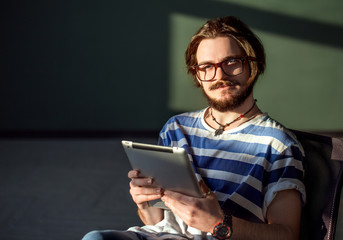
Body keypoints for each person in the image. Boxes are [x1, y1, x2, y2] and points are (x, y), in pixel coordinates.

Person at [82, 16, 306, 240]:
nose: (219, 76)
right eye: (207, 67)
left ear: (252, 64)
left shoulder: (278, 144)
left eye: (232, 62)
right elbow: (159, 222)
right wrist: (145, 202)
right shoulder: (176, 128)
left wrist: (217, 223)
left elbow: (287, 234)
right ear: (197, 74)